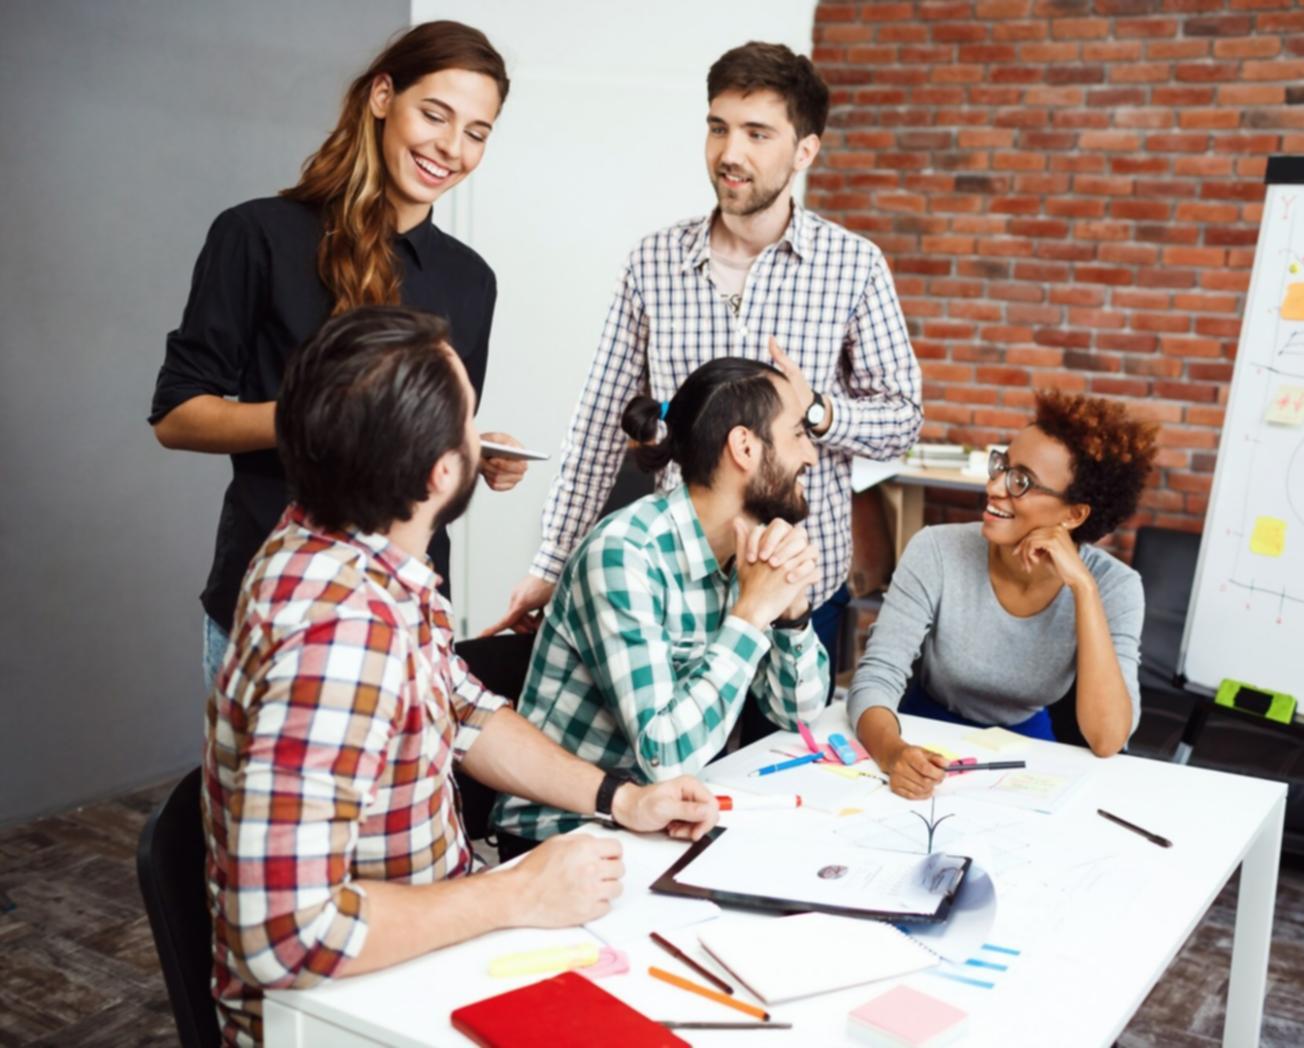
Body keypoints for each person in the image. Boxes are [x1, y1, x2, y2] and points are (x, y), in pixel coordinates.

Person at [204, 305, 717, 1046]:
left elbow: (463, 711)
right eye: (470, 422)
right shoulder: (343, 632)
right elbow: (285, 933)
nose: (482, 438)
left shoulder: (347, 548)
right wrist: (514, 893)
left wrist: (622, 798)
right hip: (345, 1017)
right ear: (441, 473)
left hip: (420, 959)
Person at [484, 41, 921, 685]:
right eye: (718, 128)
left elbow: (903, 420)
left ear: (805, 150)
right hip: (673, 583)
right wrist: (551, 564)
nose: (730, 153)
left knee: (786, 746)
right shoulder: (652, 261)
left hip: (797, 584)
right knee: (672, 744)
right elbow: (600, 424)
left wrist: (819, 413)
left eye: (757, 133)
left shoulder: (855, 267)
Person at [149, 21, 527, 690]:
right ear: (382, 97)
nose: (452, 148)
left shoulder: (472, 281)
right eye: (434, 114)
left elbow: (424, 439)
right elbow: (177, 416)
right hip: (272, 599)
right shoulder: (255, 235)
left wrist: (472, 448)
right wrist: (330, 415)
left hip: (408, 606)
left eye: (477, 132)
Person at [491, 358, 831, 851]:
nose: (812, 456)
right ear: (745, 447)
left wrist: (791, 608)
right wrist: (751, 615)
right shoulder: (625, 556)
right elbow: (665, 757)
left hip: (663, 822)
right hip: (566, 834)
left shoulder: (748, 552)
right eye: (798, 434)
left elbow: (797, 713)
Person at [848, 390, 1160, 799]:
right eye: (1002, 467)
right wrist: (893, 753)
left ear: (1075, 514)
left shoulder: (1116, 586)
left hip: (1025, 751)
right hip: (923, 732)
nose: (994, 487)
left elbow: (1108, 738)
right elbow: (875, 678)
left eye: (1021, 482)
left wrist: (1084, 590)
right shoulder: (936, 550)